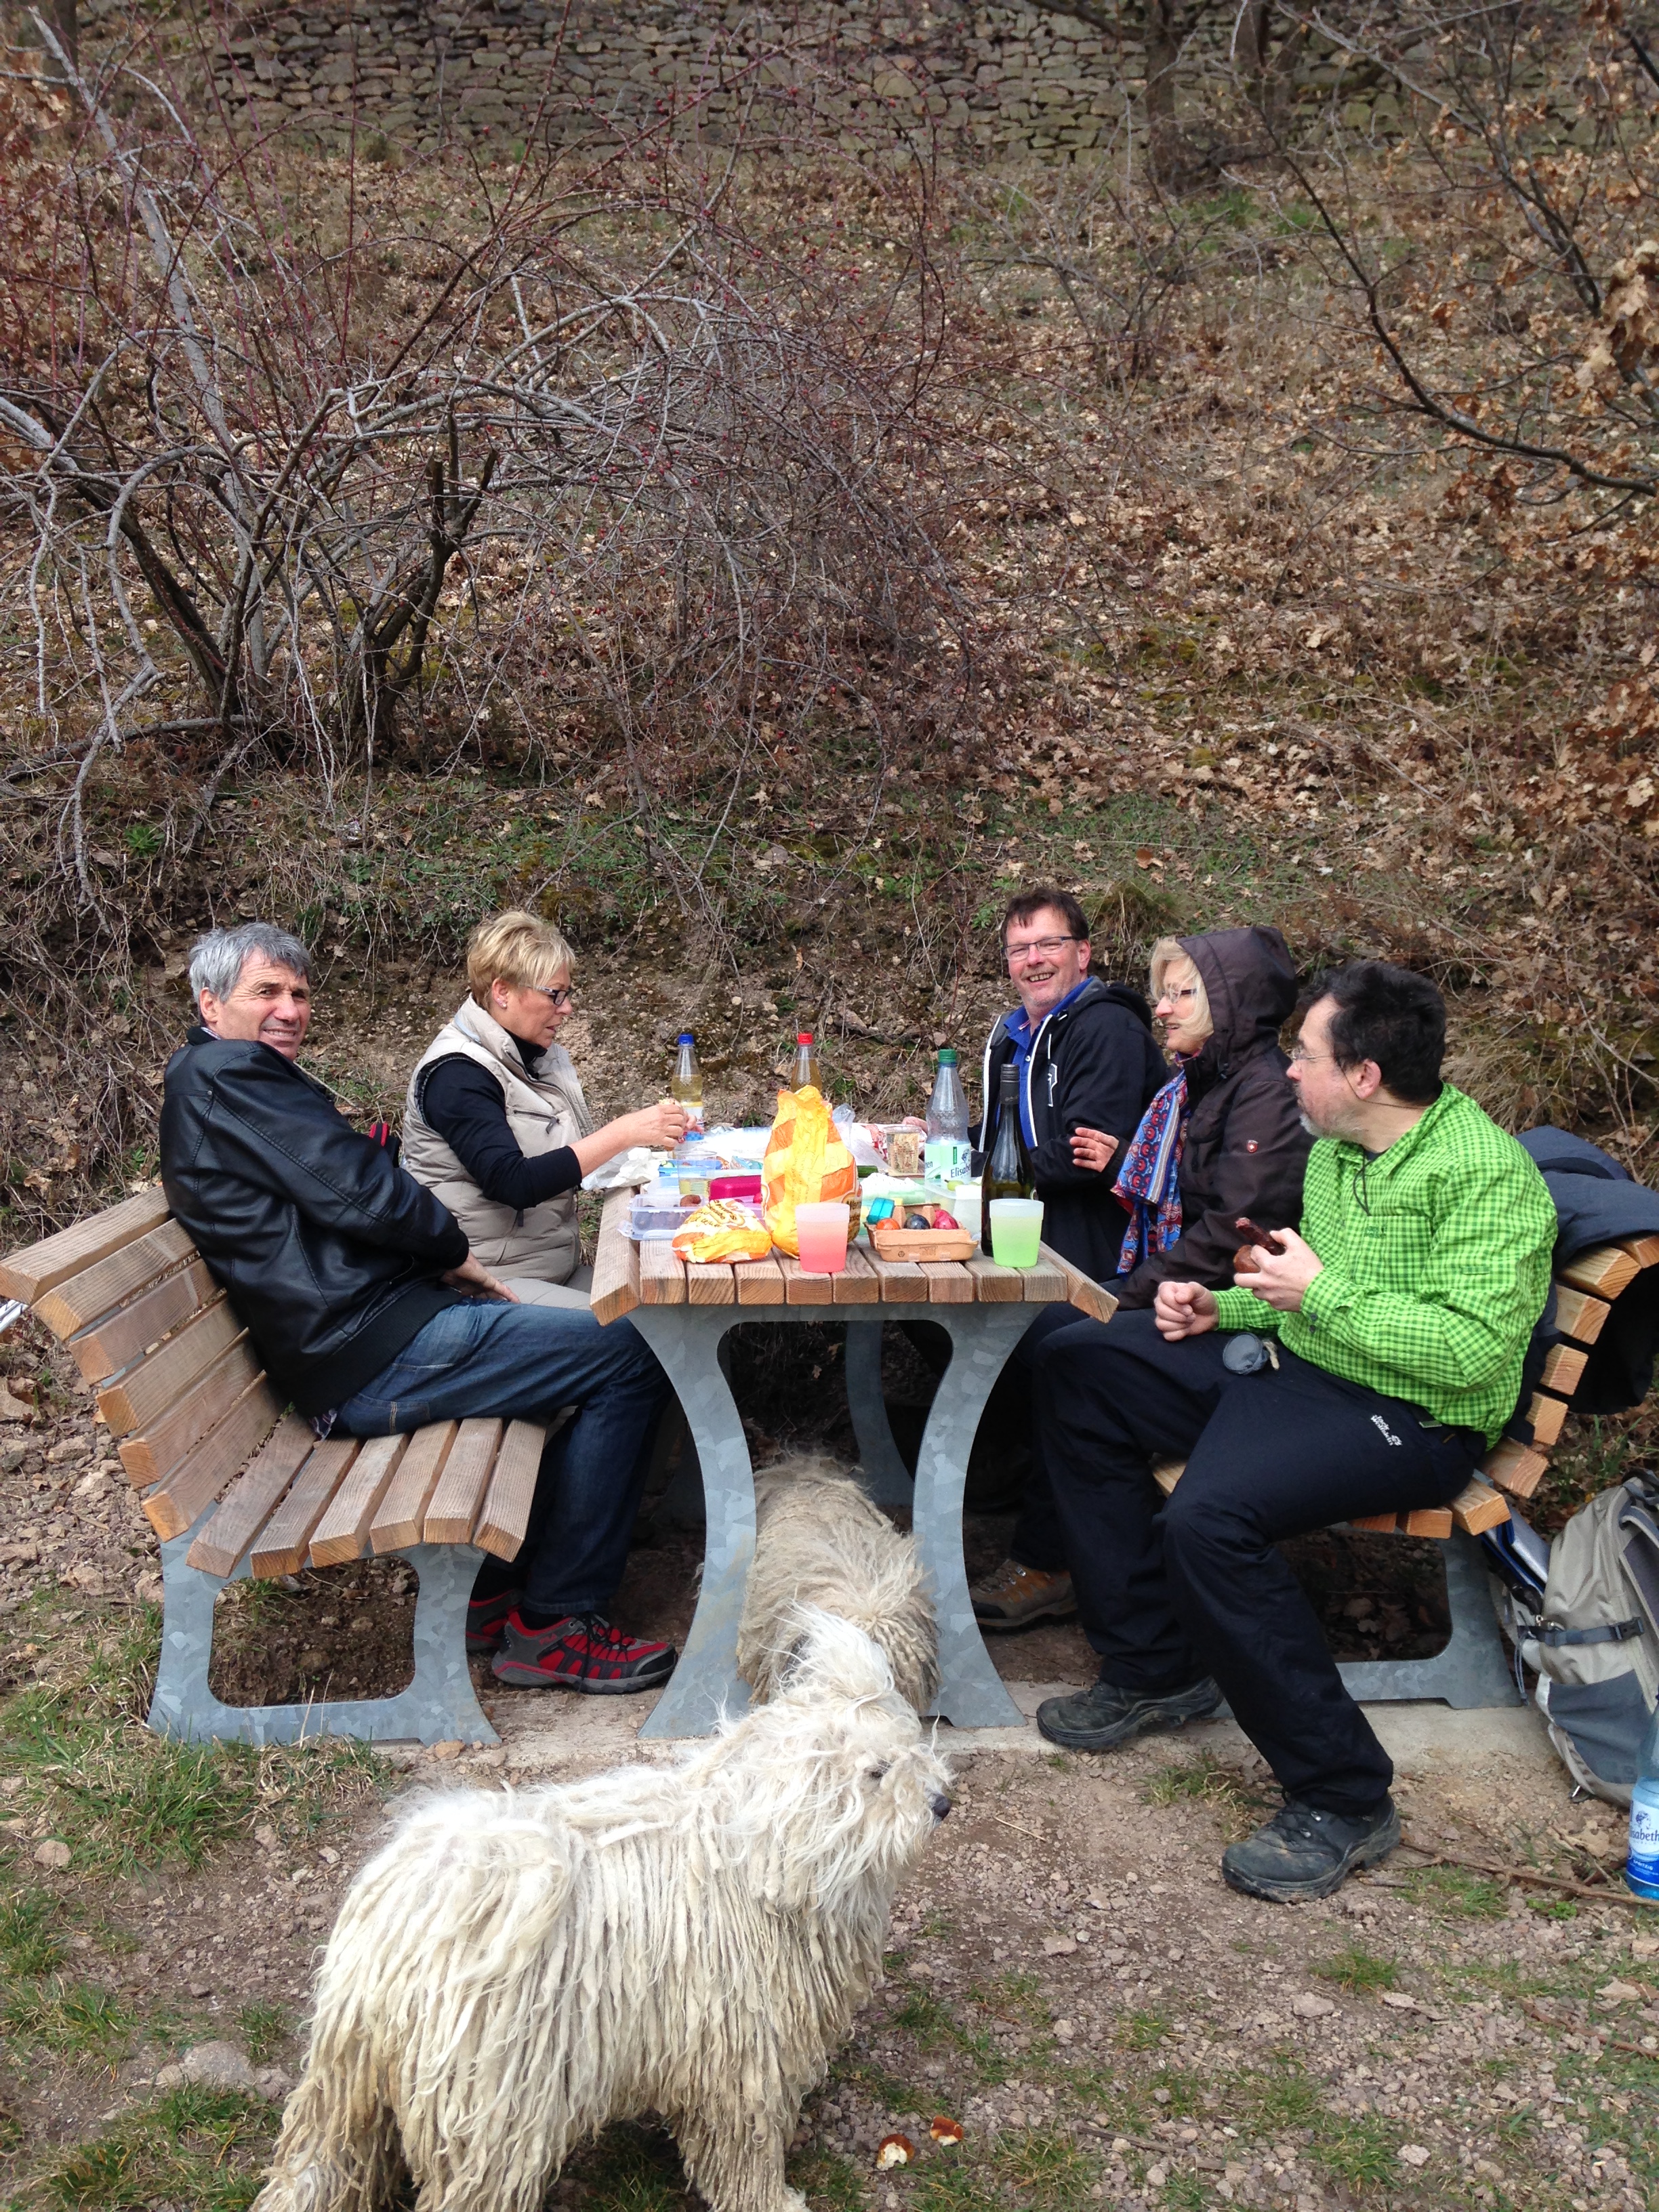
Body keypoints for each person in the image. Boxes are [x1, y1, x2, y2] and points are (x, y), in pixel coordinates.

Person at [1029, 961, 1555, 1901]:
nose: (1291, 1072)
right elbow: (1299, 1299)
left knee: (1208, 1523)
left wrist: (1321, 1295)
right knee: (1080, 1364)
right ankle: (1155, 1665)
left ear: (1364, 1075)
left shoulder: (1485, 1176)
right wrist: (1220, 1310)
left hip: (1414, 1419)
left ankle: (1343, 1794)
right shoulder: (1339, 1150)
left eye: (1306, 1056)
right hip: (1304, 1369)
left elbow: (1473, 1357)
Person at [159, 921, 678, 1695]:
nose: (290, 1009)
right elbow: (363, 1191)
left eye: (299, 993)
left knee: (620, 1349)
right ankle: (555, 1623)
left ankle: (499, 1589)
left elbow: (346, 1186)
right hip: (367, 1353)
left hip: (369, 1329)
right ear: (210, 1003)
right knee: (632, 1356)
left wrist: (436, 1256)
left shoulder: (230, 1077)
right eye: (266, 992)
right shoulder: (230, 1077)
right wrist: (452, 1251)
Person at [972, 924, 1311, 1631]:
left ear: (1230, 1003)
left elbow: (1229, 1233)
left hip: (1236, 1315)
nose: (1161, 1008)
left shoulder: (1264, 1096)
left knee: (1061, 1348)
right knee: (1034, 1331)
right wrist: (1131, 1159)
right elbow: (1192, 1188)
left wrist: (1121, 1294)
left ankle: (1053, 1560)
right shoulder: (1206, 1084)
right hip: (1193, 1290)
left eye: (1182, 995)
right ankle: (1041, 1514)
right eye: (1163, 994)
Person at [401, 909, 689, 1307]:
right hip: (487, 1283)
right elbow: (512, 1183)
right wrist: (623, 1133)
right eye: (555, 994)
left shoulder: (530, 1060)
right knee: (635, 1331)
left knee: (670, 1306)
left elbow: (566, 1164)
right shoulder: (457, 1074)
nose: (566, 1008)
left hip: (549, 1266)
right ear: (502, 992)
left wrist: (647, 1143)